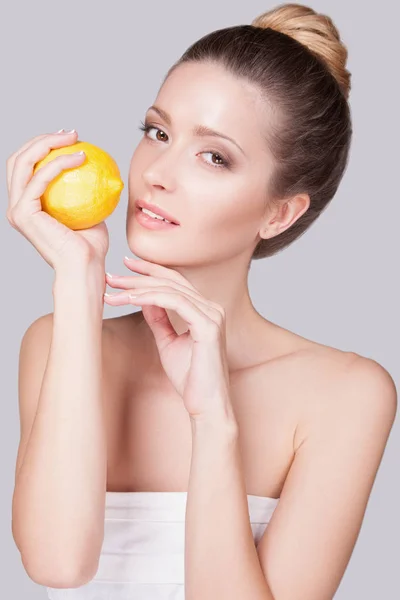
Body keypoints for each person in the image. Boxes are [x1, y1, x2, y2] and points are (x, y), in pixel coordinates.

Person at [8, 3, 397, 600]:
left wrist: (213, 419)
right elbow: (58, 564)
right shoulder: (58, 340)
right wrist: (77, 280)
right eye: (157, 132)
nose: (156, 172)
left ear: (279, 212)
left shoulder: (347, 393)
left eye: (214, 156)